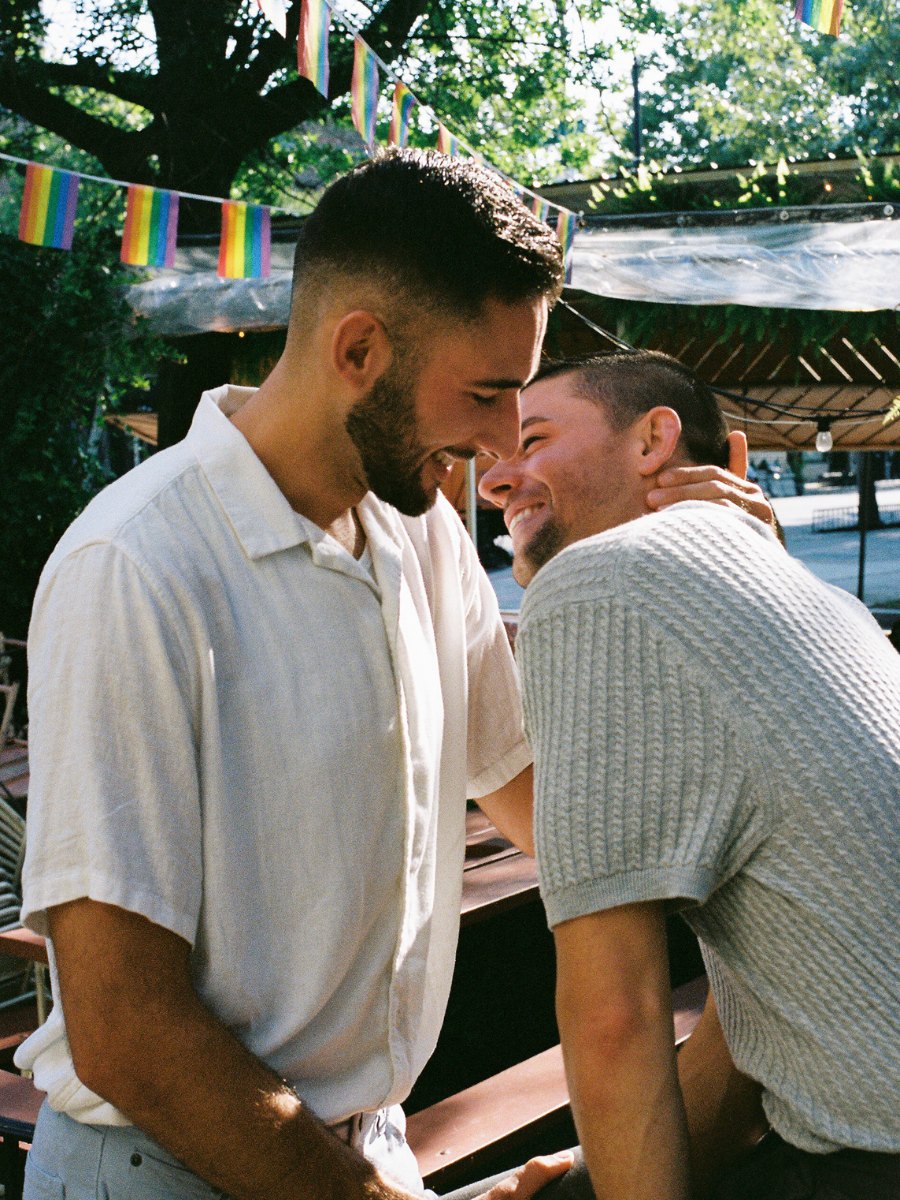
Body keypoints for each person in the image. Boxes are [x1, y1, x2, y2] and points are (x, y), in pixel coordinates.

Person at [18, 153, 767, 1200]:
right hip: (169, 1166)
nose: (503, 444)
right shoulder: (135, 567)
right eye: (487, 392)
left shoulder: (419, 532)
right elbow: (125, 1031)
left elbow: (543, 803)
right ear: (359, 349)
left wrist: (773, 880)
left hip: (359, 1150)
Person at [478, 350, 900, 1200]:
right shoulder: (810, 594)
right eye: (490, 460)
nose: (496, 480)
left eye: (531, 439)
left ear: (654, 440)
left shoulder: (597, 583)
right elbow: (754, 1016)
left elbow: (615, 1015)